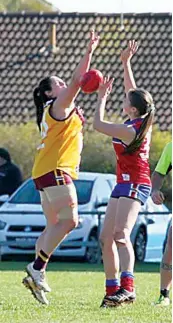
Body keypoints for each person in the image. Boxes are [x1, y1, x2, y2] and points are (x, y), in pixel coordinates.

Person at [22, 30, 99, 305]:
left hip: (43, 171)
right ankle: (38, 268)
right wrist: (88, 52)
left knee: (53, 225)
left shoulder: (56, 108)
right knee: (70, 221)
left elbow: (76, 87)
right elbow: (78, 83)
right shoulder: (57, 105)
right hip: (55, 170)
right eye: (59, 83)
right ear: (48, 93)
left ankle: (37, 275)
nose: (64, 84)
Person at [93, 40, 155, 307]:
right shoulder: (137, 120)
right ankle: (112, 289)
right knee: (106, 237)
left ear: (132, 109)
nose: (124, 98)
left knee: (121, 235)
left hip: (137, 183)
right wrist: (125, 62)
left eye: (125, 100)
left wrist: (101, 99)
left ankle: (128, 288)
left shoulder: (130, 130)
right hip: (122, 184)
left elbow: (97, 124)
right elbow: (133, 90)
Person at [151, 142, 172, 306]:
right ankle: (164, 295)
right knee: (171, 248)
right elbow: (158, 173)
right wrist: (155, 190)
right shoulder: (171, 147)